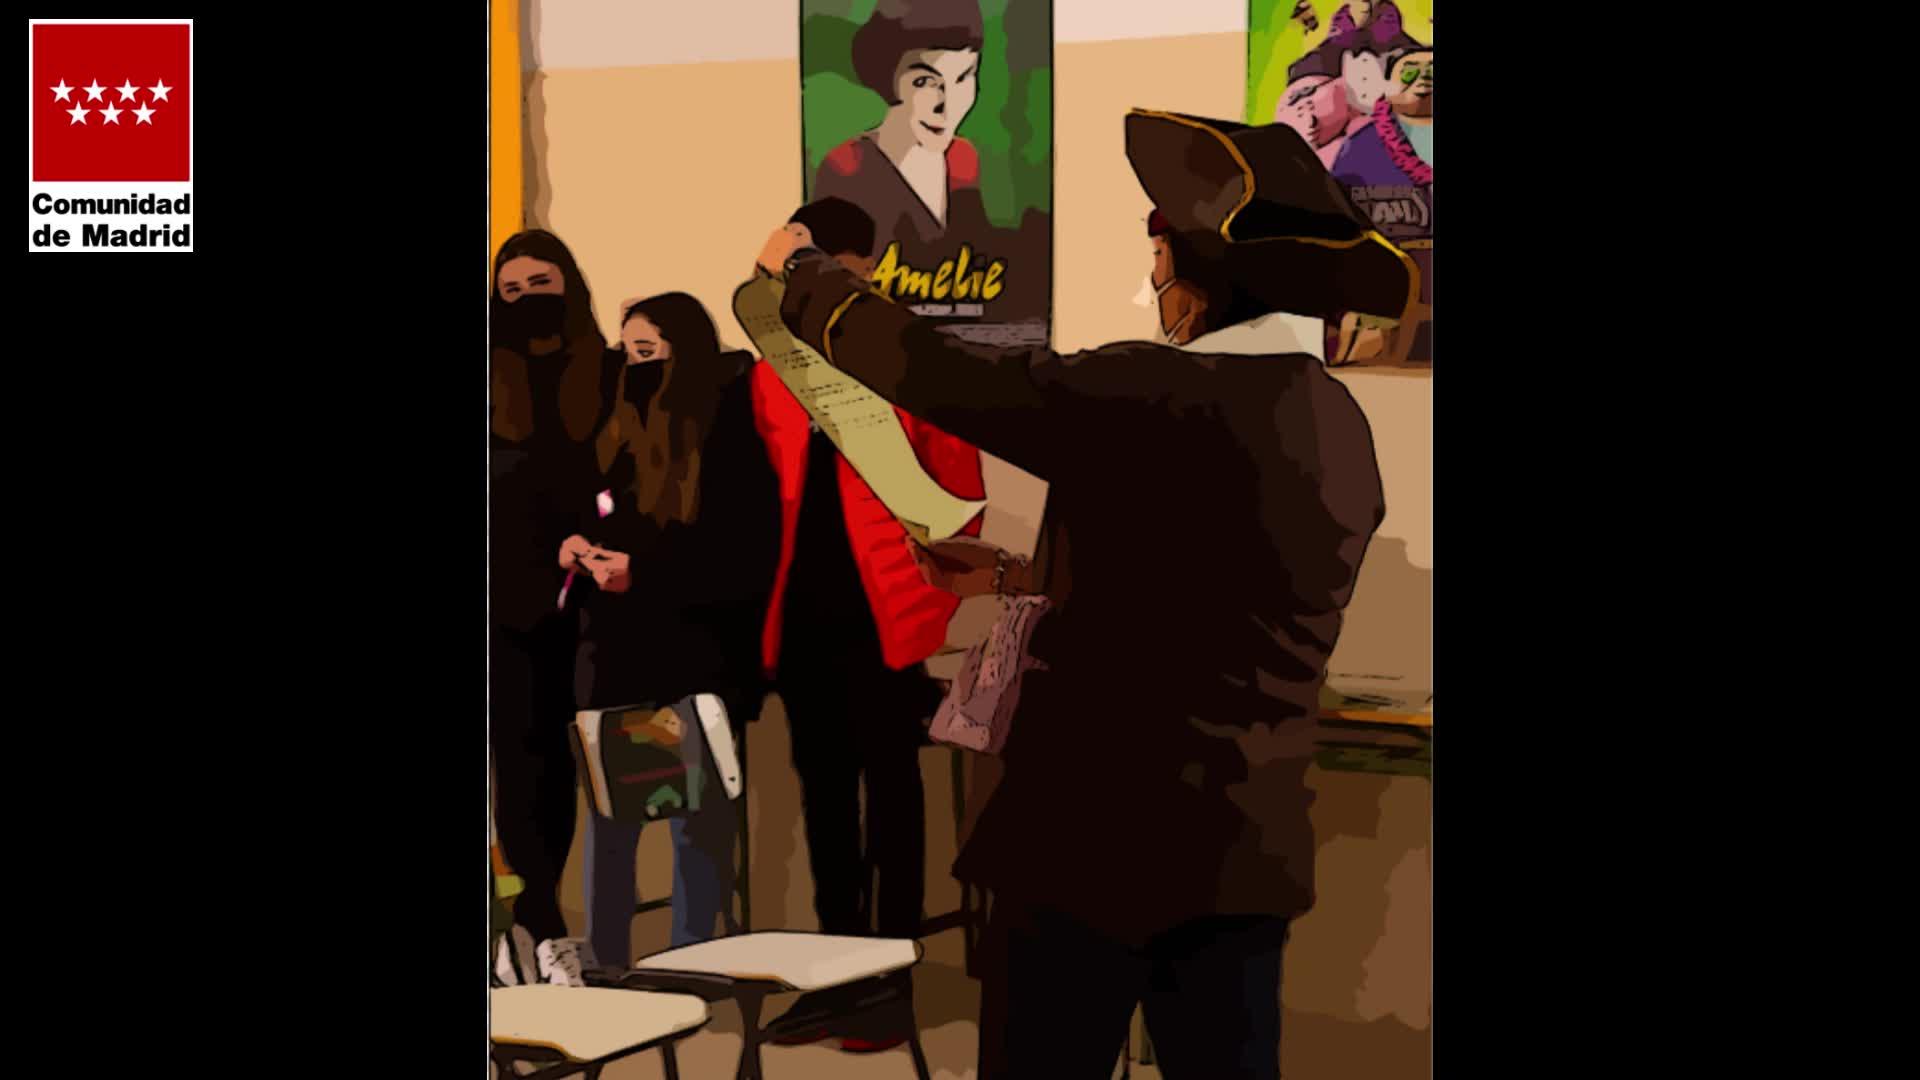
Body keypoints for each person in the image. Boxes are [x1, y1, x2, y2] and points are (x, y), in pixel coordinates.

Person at [753, 109, 1410, 1078]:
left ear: (1194, 279)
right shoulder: (1334, 423)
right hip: (1242, 842)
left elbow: (940, 371)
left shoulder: (1149, 393)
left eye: (1158, 259)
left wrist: (806, 273)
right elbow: (1207, 591)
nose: (1154, 285)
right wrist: (1017, 577)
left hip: (1087, 842)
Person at [749, 197, 986, 1054]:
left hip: (885, 616)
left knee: (891, 802)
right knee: (823, 803)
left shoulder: (905, 352)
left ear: (861, 268)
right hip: (800, 616)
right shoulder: (772, 367)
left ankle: (890, 985)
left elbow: (959, 489)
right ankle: (835, 980)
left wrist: (931, 598)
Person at [563, 293, 782, 968]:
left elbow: (742, 557)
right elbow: (594, 508)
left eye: (648, 352)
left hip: (694, 661)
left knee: (698, 827)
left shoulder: (725, 434)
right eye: (626, 353)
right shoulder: (614, 428)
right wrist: (578, 546)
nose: (634, 368)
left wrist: (645, 573)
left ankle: (691, 969)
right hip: (613, 655)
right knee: (611, 823)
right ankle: (606, 967)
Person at [489, 229, 622, 986]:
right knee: (521, 761)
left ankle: (551, 924)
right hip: (507, 603)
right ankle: (538, 925)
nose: (526, 300)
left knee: (572, 766)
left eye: (540, 284)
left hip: (595, 602)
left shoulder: (607, 371)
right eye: (510, 291)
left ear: (568, 284)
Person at [813, 0, 990, 272]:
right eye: (924, 82)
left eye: (963, 77)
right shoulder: (847, 169)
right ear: (888, 76)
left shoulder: (963, 159)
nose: (948, 107)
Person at [1331, 44, 1431, 362]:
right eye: (1410, 71)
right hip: (1387, 281)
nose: (1424, 78)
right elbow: (1341, 218)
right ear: (1387, 84)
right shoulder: (1359, 147)